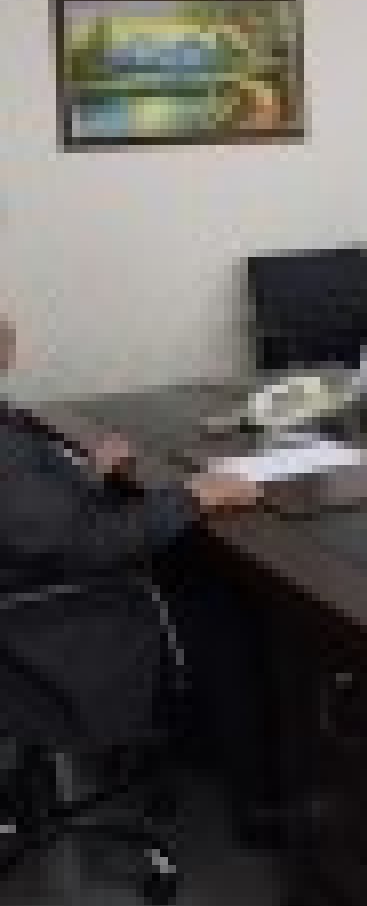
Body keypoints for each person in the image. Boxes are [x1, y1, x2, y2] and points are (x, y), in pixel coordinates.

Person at [0, 313, 270, 833]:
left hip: (28, 598)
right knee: (225, 604)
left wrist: (87, 477)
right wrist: (194, 496)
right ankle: (259, 805)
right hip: (42, 634)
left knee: (190, 566)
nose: (9, 326)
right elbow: (91, 544)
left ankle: (197, 740)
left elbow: (32, 524)